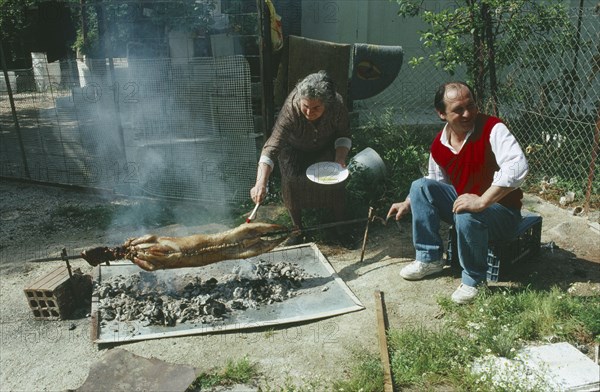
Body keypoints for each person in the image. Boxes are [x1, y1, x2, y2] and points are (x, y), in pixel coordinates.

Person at [387, 81, 528, 304]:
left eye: (470, 106)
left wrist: (482, 201)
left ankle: (474, 281)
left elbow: (517, 167)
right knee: (419, 187)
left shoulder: (492, 128)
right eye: (458, 110)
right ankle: (429, 258)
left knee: (467, 211)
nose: (467, 113)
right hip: (472, 206)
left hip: (503, 213)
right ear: (441, 114)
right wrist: (409, 202)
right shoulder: (439, 146)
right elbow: (434, 182)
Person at [250, 71, 351, 244]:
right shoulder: (291, 108)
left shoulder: (337, 105)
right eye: (305, 106)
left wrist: (339, 158)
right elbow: (272, 146)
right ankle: (298, 230)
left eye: (316, 108)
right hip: (293, 148)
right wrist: (261, 182)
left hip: (324, 146)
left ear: (327, 104)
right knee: (291, 183)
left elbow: (344, 135)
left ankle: (340, 227)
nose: (309, 112)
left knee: (335, 183)